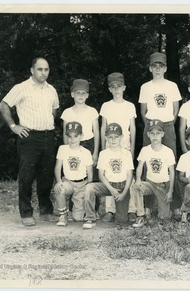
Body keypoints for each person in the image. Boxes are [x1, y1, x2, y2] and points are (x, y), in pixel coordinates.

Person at [0, 57, 59, 226]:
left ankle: (46, 210)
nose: (43, 73)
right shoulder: (21, 88)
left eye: (46, 69)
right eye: (40, 69)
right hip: (28, 136)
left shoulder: (51, 89)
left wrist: (46, 123)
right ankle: (26, 213)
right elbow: (3, 105)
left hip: (48, 136)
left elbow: (54, 109)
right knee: (26, 175)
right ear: (32, 70)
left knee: (46, 175)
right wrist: (13, 126)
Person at [99, 72, 137, 223]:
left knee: (128, 176)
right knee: (111, 175)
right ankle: (110, 210)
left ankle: (131, 209)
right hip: (110, 144)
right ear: (109, 89)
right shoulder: (106, 106)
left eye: (119, 87)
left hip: (125, 145)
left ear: (124, 88)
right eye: (113, 87)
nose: (116, 90)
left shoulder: (130, 106)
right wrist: (103, 148)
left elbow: (132, 128)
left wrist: (132, 148)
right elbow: (103, 127)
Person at [60, 79, 100, 221]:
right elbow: (66, 134)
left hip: (88, 144)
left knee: (90, 178)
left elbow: (97, 133)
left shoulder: (92, 111)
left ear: (87, 95)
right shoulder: (67, 112)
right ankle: (73, 210)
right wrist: (66, 152)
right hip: (72, 144)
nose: (81, 96)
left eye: (84, 93)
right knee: (73, 175)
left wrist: (95, 153)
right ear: (72, 94)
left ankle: (92, 210)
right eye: (78, 93)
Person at [84, 123, 134, 225]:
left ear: (121, 137)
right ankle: (90, 217)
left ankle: (124, 212)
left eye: (116, 137)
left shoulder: (126, 153)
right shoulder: (103, 153)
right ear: (106, 138)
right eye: (110, 137)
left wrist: (124, 193)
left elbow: (129, 175)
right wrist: (111, 189)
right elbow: (101, 175)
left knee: (121, 220)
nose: (113, 140)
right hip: (108, 186)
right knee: (90, 187)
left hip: (121, 186)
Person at [131, 119, 175, 228]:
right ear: (148, 135)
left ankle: (165, 210)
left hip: (163, 185)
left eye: (158, 133)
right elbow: (140, 167)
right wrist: (138, 180)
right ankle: (141, 215)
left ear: (162, 134)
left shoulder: (168, 151)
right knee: (135, 186)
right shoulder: (145, 150)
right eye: (152, 133)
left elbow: (172, 172)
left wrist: (170, 191)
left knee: (164, 218)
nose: (155, 136)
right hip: (150, 184)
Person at [138, 52, 181, 158]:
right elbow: (143, 111)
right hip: (150, 125)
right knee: (148, 157)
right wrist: (150, 125)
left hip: (168, 125)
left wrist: (169, 124)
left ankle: (170, 175)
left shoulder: (172, 86)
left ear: (165, 69)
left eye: (161, 66)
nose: (157, 69)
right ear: (150, 68)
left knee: (170, 157)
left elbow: (176, 109)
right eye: (154, 66)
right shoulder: (145, 87)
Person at [53, 121, 94, 228]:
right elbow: (57, 167)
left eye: (76, 136)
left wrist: (88, 187)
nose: (72, 139)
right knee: (59, 189)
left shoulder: (86, 152)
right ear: (66, 137)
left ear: (81, 136)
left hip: (82, 184)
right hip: (68, 182)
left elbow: (90, 172)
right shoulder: (63, 149)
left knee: (78, 218)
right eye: (69, 136)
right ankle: (63, 215)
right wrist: (59, 182)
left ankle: (81, 212)